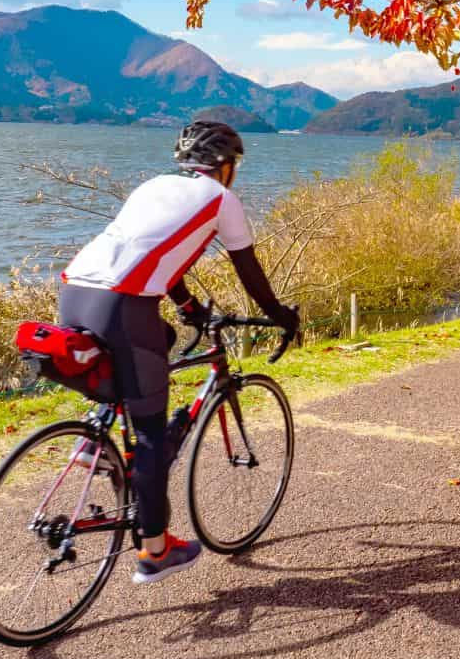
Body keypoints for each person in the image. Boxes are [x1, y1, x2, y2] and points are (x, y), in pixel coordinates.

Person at [58, 120, 300, 585]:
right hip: (125, 303)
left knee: (156, 346)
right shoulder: (221, 199)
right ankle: (154, 550)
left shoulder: (153, 187)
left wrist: (188, 308)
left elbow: (155, 257)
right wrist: (281, 315)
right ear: (225, 166)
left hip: (75, 291)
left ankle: (95, 443)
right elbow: (249, 271)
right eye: (235, 166)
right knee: (150, 433)